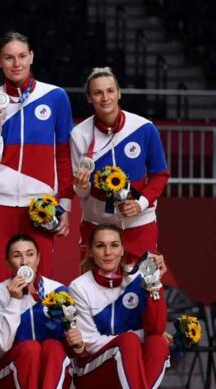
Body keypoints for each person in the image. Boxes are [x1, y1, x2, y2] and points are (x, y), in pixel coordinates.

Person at [0, 32, 73, 289]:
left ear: (31, 57)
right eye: (9, 57)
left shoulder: (55, 97)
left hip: (39, 206)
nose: (16, 64)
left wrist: (65, 204)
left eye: (21, 56)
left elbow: (63, 155)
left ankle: (38, 332)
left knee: (41, 285)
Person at [69, 223, 177, 389]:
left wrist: (154, 284)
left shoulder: (139, 279)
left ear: (122, 249)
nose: (108, 252)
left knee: (158, 343)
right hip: (94, 378)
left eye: (113, 245)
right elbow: (89, 342)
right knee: (128, 341)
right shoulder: (79, 287)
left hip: (128, 374)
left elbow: (156, 329)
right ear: (90, 251)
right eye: (100, 246)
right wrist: (133, 337)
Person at [0, 234, 82, 389]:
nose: (24, 261)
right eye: (17, 256)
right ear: (7, 262)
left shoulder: (58, 291)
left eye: (30, 255)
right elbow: (2, 344)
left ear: (39, 258)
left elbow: (72, 347)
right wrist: (14, 300)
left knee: (53, 346)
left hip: (51, 378)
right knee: (29, 348)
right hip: (9, 378)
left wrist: (77, 340)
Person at [71, 67, 169, 263]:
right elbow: (80, 191)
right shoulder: (79, 135)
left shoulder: (144, 128)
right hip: (96, 226)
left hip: (139, 224)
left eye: (110, 91)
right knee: (94, 289)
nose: (105, 98)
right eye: (97, 93)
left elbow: (160, 175)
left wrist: (140, 204)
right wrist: (82, 187)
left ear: (119, 93)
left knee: (143, 288)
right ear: (89, 98)